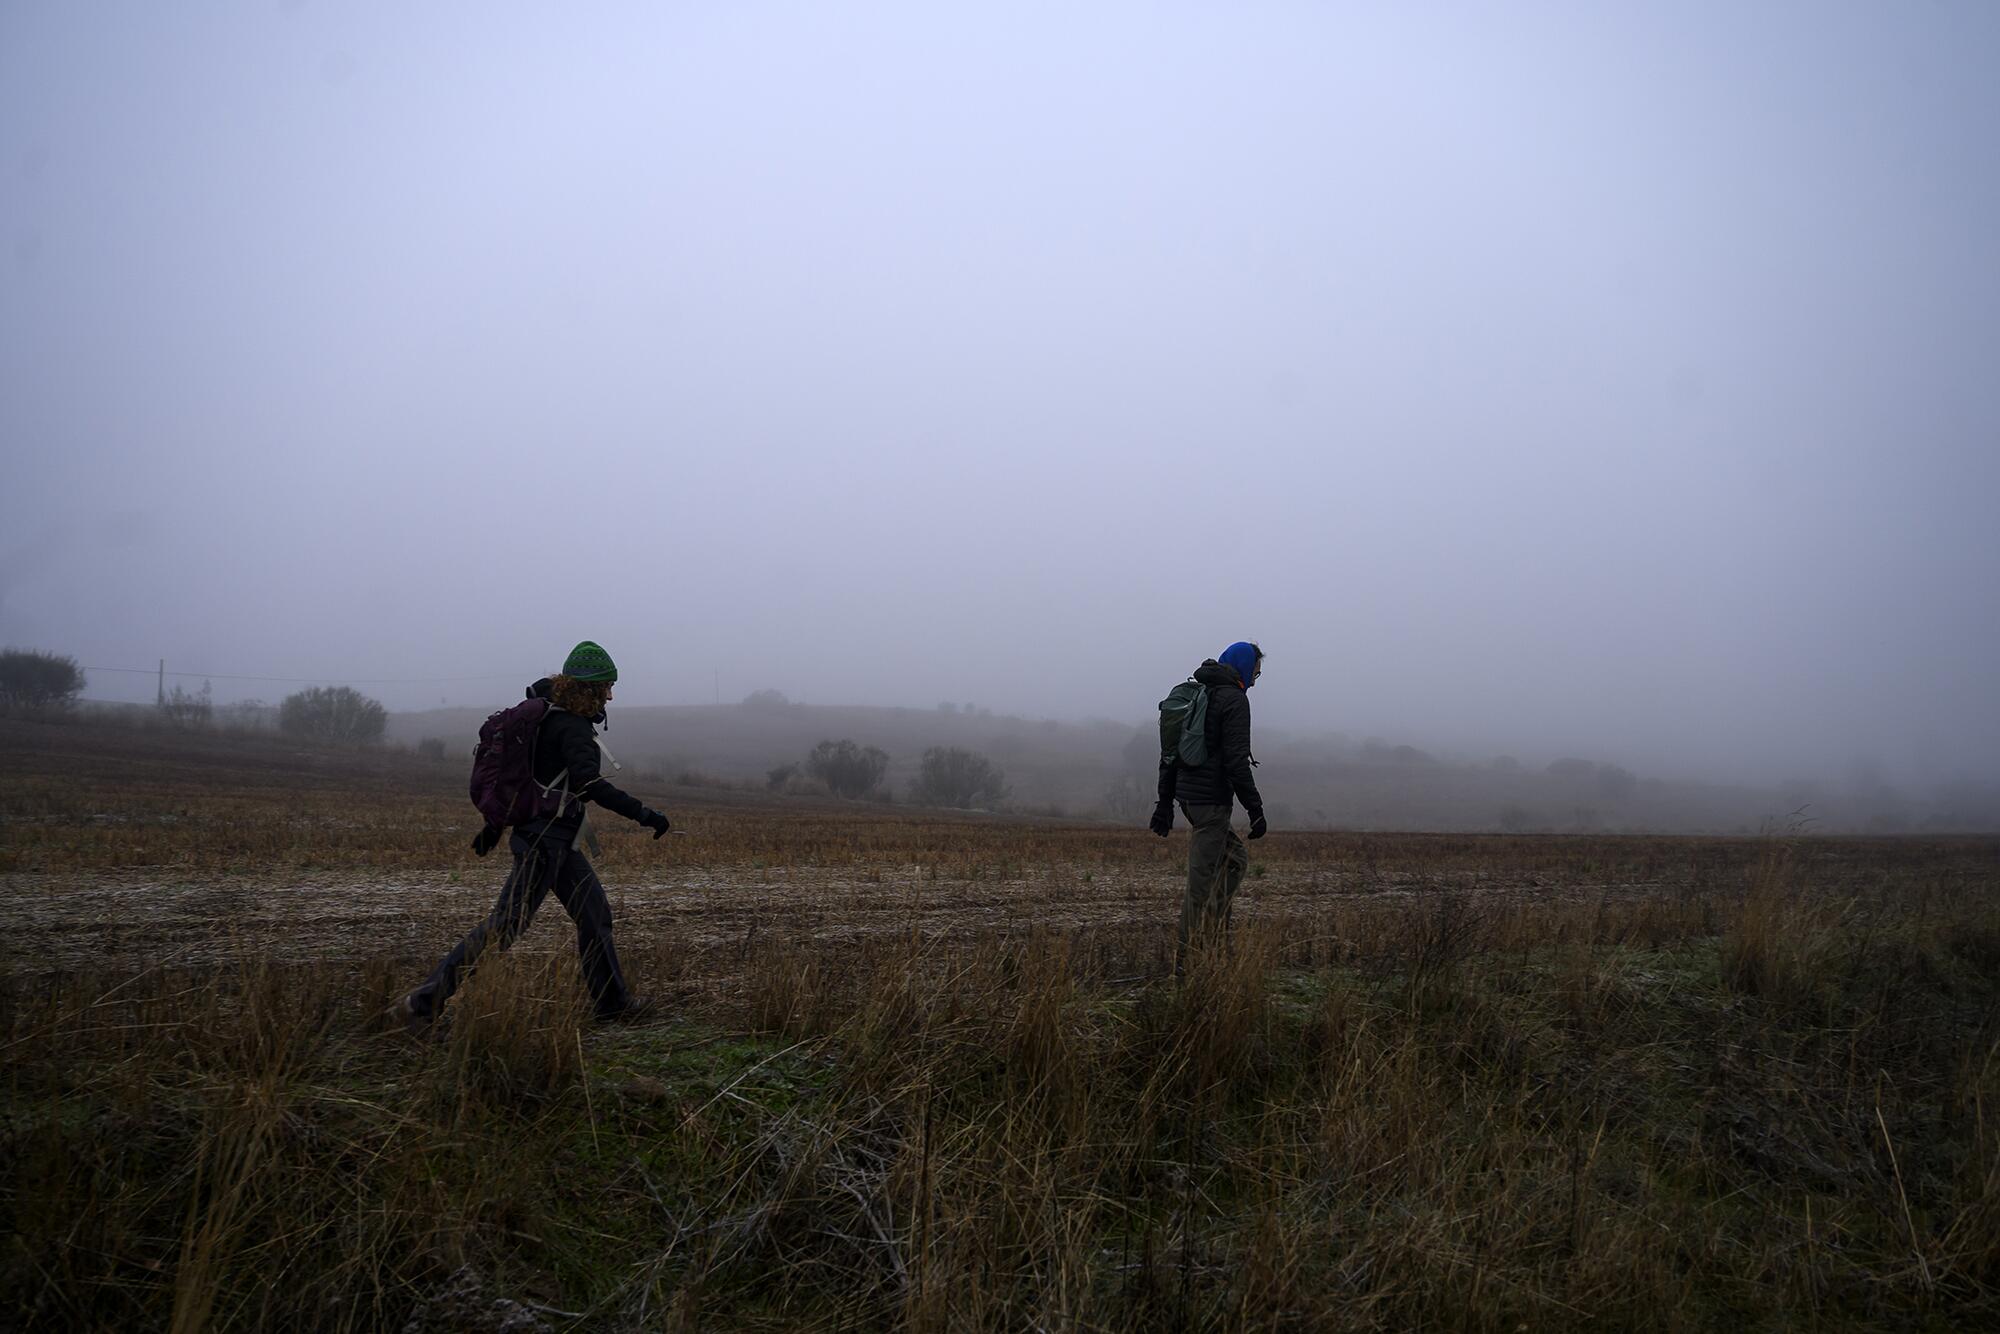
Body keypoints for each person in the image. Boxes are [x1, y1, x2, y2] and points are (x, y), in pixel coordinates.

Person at [398, 641, 670, 1031]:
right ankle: (421, 1006)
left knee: (595, 916)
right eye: (606, 686)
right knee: (506, 925)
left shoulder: (548, 719)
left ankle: (613, 1004)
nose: (611, 695)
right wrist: (646, 814)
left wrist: (495, 825)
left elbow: (528, 781)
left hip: (556, 841)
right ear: (588, 688)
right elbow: (591, 785)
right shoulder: (573, 727)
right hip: (546, 843)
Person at [1150, 641, 1266, 968]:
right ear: (1244, 666)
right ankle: (1188, 964)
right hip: (1211, 803)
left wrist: (1166, 802)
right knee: (1199, 886)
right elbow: (1236, 763)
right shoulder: (1234, 701)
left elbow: (1169, 755)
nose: (1257, 679)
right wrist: (1255, 810)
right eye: (1256, 671)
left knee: (1235, 860)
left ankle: (1213, 939)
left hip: (1189, 799)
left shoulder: (1201, 692)